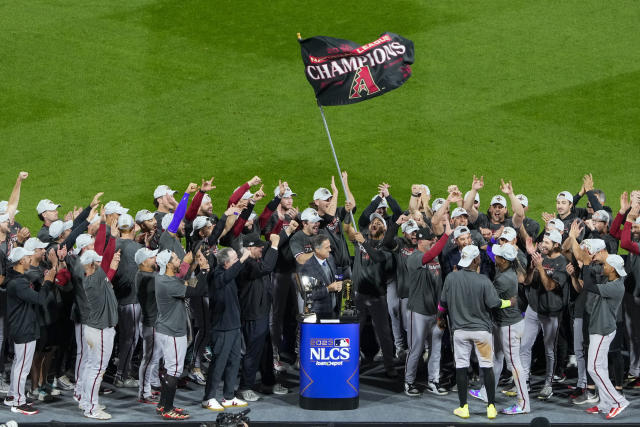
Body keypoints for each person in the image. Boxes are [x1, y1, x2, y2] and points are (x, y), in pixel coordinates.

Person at [437, 245, 516, 419]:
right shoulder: (484, 281)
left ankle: (463, 407)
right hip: (482, 333)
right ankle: (491, 407)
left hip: (460, 332)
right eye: (478, 257)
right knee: (487, 367)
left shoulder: (451, 278)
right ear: (475, 260)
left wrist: (440, 318)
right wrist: (509, 303)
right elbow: (495, 303)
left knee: (461, 367)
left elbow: (442, 304)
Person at [469, 244, 530, 415]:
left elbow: (489, 300)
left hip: (509, 326)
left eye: (497, 256)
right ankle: (485, 392)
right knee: (497, 358)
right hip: (504, 324)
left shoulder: (504, 279)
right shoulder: (505, 271)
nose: (494, 257)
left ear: (503, 260)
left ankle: (523, 404)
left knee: (514, 365)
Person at [4, 246, 55, 415]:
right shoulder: (18, 283)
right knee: (23, 367)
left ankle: (12, 395)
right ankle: (18, 402)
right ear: (21, 261)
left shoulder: (16, 278)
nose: (29, 258)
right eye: (27, 256)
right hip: (24, 328)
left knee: (19, 364)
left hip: (20, 326)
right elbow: (40, 299)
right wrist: (48, 281)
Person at [344, 215, 396, 377]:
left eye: (379, 223)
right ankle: (349, 365)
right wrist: (348, 212)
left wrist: (364, 243)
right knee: (353, 332)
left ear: (385, 229)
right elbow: (347, 230)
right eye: (373, 222)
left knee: (384, 334)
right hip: (358, 295)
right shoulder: (361, 239)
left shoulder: (386, 246)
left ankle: (389, 365)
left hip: (377, 297)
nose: (374, 224)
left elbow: (378, 257)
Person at [521, 230, 569, 400]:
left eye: (546, 243)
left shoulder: (562, 262)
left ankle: (548, 384)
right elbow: (526, 281)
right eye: (542, 242)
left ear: (556, 245)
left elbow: (550, 286)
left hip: (551, 312)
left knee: (550, 350)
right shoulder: (539, 255)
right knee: (524, 346)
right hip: (533, 308)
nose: (542, 245)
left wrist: (540, 267)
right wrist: (531, 266)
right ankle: (524, 380)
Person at [404, 225, 451, 397]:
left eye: (433, 239)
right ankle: (409, 382)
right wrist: (445, 235)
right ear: (419, 241)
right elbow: (430, 254)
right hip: (418, 312)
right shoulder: (414, 257)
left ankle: (433, 380)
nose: (432, 241)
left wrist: (441, 311)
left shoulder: (435, 259)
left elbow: (439, 285)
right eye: (429, 239)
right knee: (416, 349)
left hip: (434, 312)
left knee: (436, 348)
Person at [202, 247, 251, 411]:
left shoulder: (229, 272)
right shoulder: (217, 275)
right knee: (219, 363)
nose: (238, 261)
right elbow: (228, 275)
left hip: (234, 325)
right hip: (222, 328)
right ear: (226, 263)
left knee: (234, 362)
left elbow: (235, 272)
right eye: (235, 259)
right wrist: (243, 258)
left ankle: (229, 396)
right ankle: (208, 398)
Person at [236, 233, 283, 401]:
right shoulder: (245, 264)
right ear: (249, 248)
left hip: (261, 311)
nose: (262, 248)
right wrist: (275, 245)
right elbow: (266, 268)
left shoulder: (254, 261)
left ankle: (267, 383)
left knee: (266, 350)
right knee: (253, 352)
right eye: (258, 246)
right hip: (252, 313)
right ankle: (244, 387)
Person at [582, 255, 629, 419]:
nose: (604, 267)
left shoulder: (616, 287)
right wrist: (589, 261)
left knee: (593, 368)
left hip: (602, 331)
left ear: (613, 270)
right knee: (600, 368)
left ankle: (619, 402)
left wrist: (586, 264)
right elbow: (592, 274)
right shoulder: (611, 280)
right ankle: (605, 404)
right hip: (599, 329)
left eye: (607, 265)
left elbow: (588, 285)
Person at [78, 249, 120, 420]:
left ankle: (86, 402)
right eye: (95, 261)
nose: (99, 263)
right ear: (89, 265)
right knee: (97, 370)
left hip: (93, 329)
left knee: (90, 367)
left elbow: (107, 270)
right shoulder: (94, 280)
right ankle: (92, 409)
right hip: (100, 331)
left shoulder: (92, 277)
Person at [154, 250, 195, 420]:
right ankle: (167, 409)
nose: (180, 260)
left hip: (165, 329)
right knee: (174, 370)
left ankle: (163, 404)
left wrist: (190, 267)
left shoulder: (162, 277)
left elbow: (185, 283)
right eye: (177, 259)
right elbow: (196, 290)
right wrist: (205, 271)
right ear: (169, 264)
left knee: (170, 369)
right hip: (173, 332)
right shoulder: (169, 283)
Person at [112, 213, 143, 388]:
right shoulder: (137, 248)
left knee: (124, 337)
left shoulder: (112, 245)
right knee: (130, 338)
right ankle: (121, 375)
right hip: (132, 299)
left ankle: (120, 371)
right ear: (133, 227)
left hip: (116, 298)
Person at [134, 248, 161, 404]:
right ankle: (143, 393)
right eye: (152, 257)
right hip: (151, 323)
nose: (155, 258)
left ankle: (148, 387)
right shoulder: (148, 278)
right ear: (144, 262)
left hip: (151, 321)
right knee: (149, 359)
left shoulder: (143, 274)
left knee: (153, 358)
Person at [299, 234, 343, 319]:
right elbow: (307, 295)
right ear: (317, 250)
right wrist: (328, 289)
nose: (330, 250)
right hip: (319, 314)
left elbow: (333, 280)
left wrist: (338, 285)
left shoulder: (330, 258)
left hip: (334, 310)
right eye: (327, 248)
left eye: (329, 246)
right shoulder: (307, 267)